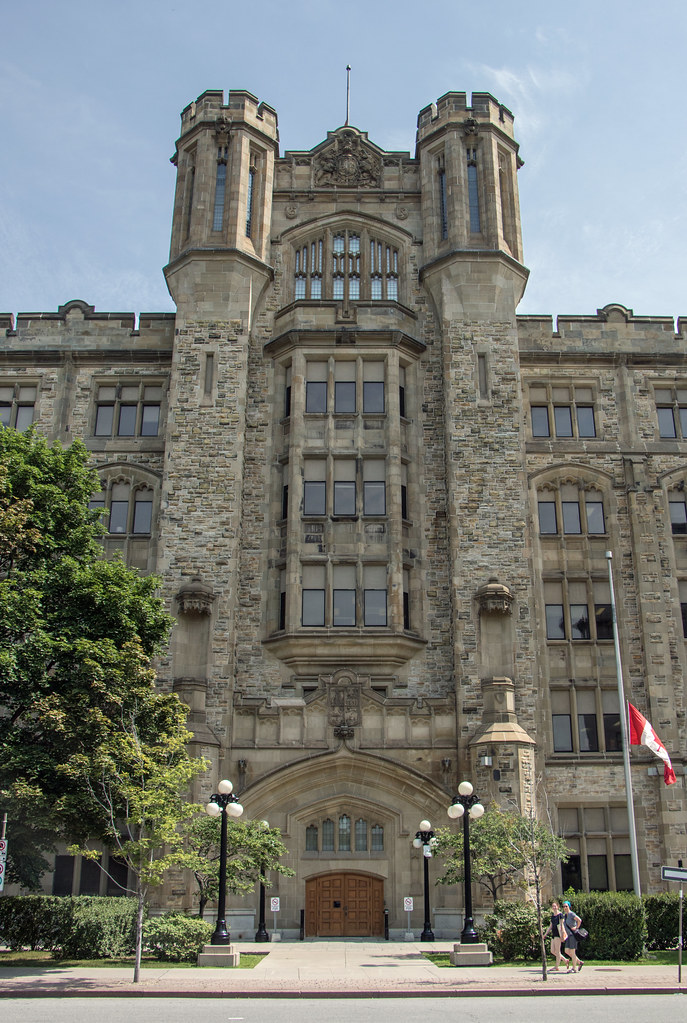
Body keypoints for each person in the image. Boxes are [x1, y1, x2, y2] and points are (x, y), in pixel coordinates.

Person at [543, 900, 570, 971]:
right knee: (552, 951)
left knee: (557, 951)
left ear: (558, 907)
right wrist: (545, 934)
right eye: (553, 906)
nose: (554, 907)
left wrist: (563, 933)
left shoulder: (560, 915)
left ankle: (556, 966)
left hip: (558, 934)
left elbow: (562, 925)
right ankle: (565, 960)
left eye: (555, 906)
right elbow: (551, 926)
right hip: (553, 934)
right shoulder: (552, 916)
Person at [562, 899, 584, 973]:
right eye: (563, 906)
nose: (565, 908)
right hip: (568, 936)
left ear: (569, 906)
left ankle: (574, 968)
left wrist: (576, 927)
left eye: (566, 906)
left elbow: (579, 920)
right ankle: (579, 962)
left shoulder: (571, 914)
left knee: (572, 952)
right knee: (566, 950)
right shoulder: (565, 915)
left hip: (572, 935)